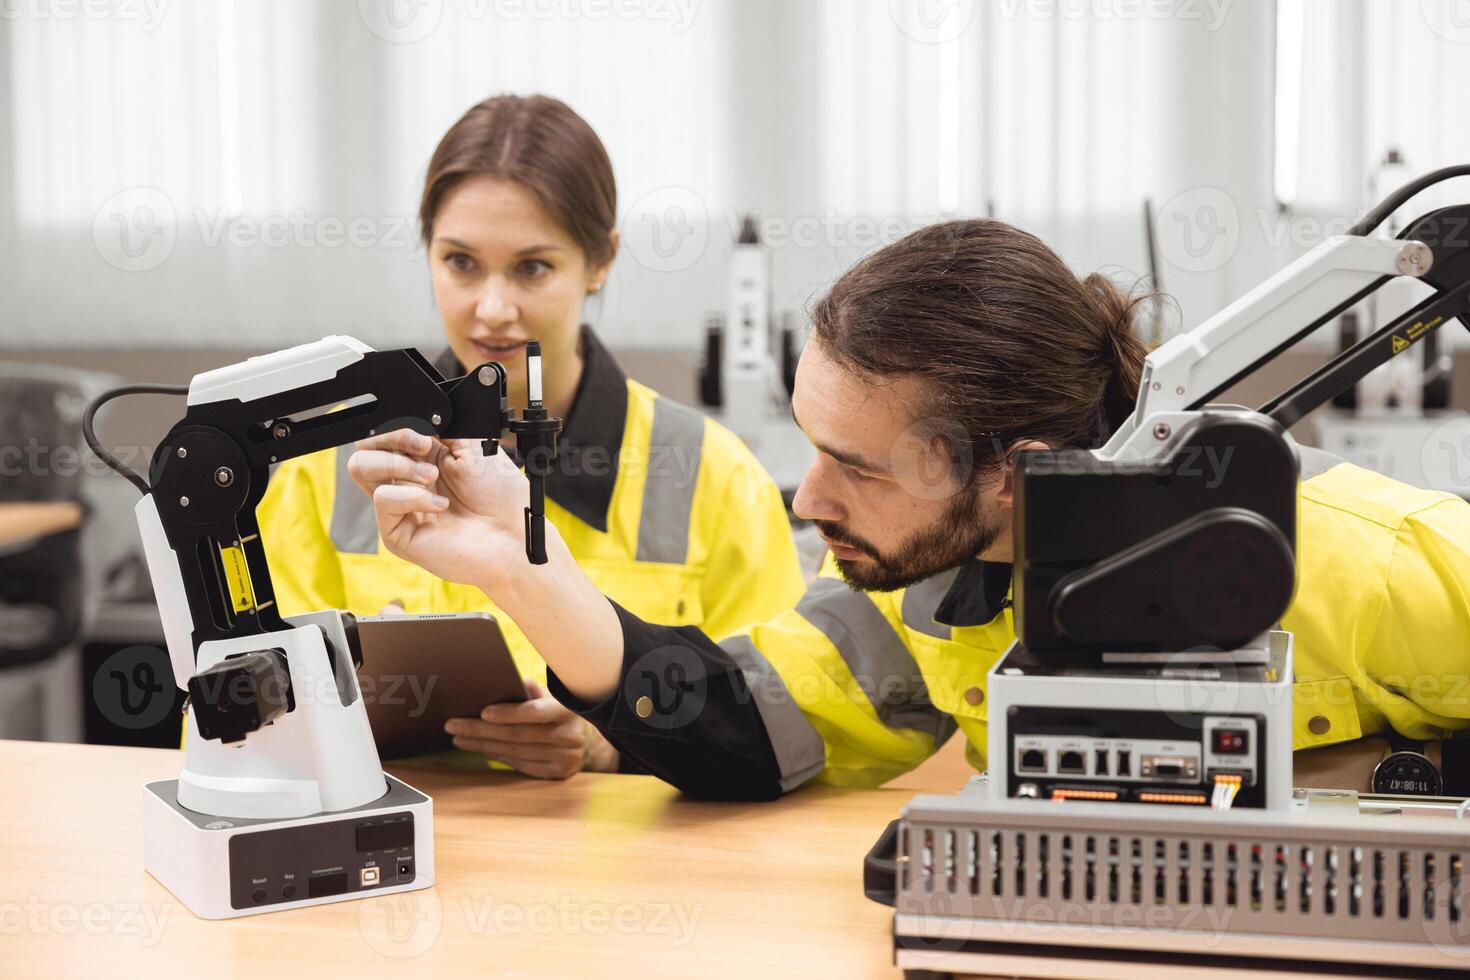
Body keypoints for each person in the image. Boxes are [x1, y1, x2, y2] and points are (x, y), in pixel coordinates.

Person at [347, 218, 1470, 799]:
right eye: (812, 445)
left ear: (1008, 470)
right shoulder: (923, 589)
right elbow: (731, 723)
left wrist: (1383, 777)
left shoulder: (1363, 560)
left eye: (860, 464)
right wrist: (514, 564)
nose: (807, 495)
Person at [255, 94, 804, 779]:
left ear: (600, 261)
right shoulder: (328, 470)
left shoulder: (714, 477)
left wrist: (613, 740)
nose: (492, 309)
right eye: (459, 262)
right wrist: (338, 699)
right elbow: (235, 722)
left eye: (532, 267)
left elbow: (780, 726)